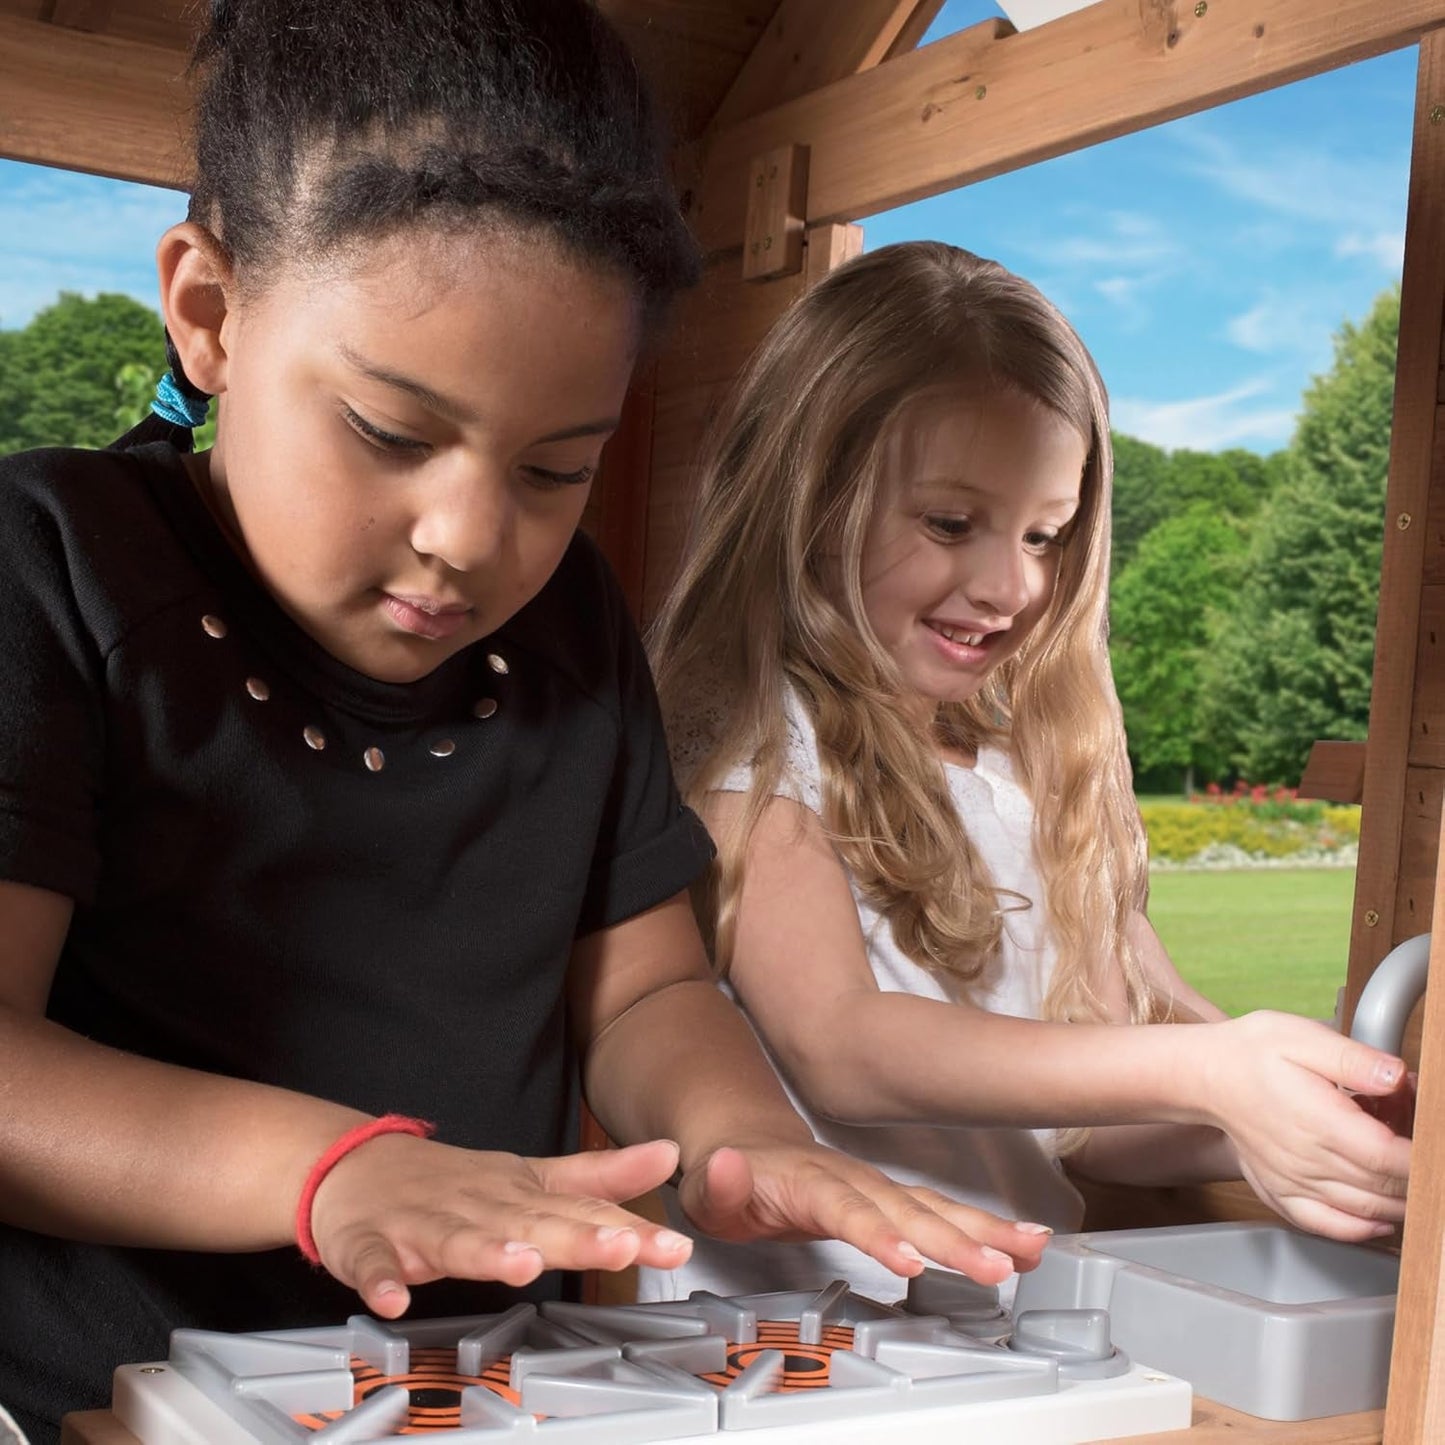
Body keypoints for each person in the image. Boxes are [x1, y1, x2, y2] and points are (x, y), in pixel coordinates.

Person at [0, 17, 1050, 1441]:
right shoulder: (55, 566)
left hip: (486, 1397)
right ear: (212, 309)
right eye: (389, 431)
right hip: (103, 1406)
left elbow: (644, 996)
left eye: (559, 468)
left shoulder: (569, 632)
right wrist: (328, 1170)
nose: (468, 539)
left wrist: (742, 1140)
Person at [637, 240, 1413, 1309]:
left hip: (1011, 1345)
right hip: (793, 1355)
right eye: (950, 523)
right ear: (806, 496)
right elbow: (842, 1047)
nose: (1011, 583)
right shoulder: (764, 750)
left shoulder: (1029, 777)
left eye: (1045, 535)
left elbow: (1090, 1118)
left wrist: (1286, 1113)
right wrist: (1198, 1067)